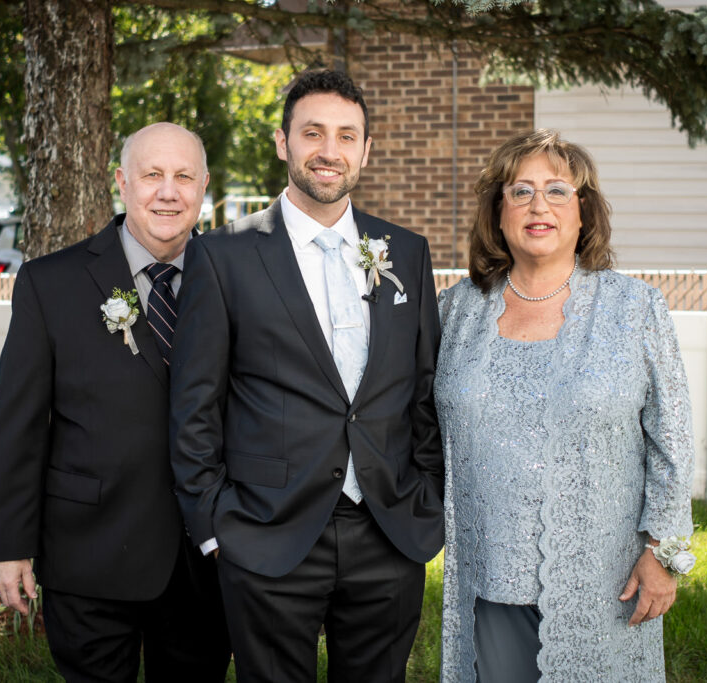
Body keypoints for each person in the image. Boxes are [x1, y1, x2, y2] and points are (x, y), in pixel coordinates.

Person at [169, 69, 444, 682]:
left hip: (388, 530)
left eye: (348, 136)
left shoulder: (407, 251)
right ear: (282, 142)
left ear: (366, 150)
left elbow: (423, 392)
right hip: (266, 532)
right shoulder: (221, 256)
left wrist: (427, 499)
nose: (330, 150)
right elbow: (195, 406)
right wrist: (215, 528)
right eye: (313, 132)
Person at [435, 129, 695, 682]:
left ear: (584, 213)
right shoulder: (455, 313)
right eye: (520, 191)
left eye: (557, 191)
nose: (538, 206)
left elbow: (671, 443)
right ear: (497, 213)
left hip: (606, 576)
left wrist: (664, 553)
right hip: (491, 574)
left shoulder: (635, 308)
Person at [0, 122, 230, 682]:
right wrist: (7, 545)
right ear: (121, 182)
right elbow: (18, 425)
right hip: (87, 554)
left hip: (204, 562)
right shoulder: (52, 284)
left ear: (204, 186)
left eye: (184, 176)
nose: (169, 192)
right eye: (153, 175)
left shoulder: (239, 279)